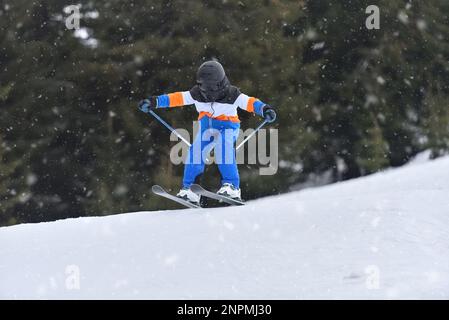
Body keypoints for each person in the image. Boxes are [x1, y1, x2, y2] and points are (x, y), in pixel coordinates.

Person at [138, 60, 276, 205]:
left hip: (228, 127)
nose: (209, 94)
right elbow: (176, 98)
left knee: (223, 148)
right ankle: (190, 190)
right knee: (195, 150)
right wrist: (154, 102)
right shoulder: (196, 94)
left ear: (221, 85)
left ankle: (232, 187)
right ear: (200, 86)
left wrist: (265, 109)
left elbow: (250, 102)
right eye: (205, 89)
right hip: (207, 130)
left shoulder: (232, 94)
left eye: (212, 89)